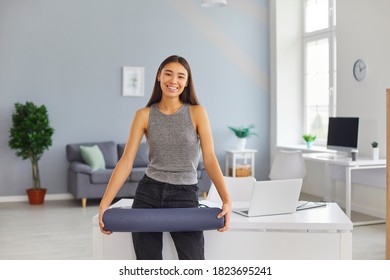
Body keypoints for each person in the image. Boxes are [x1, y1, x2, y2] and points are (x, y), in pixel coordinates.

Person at [98, 55, 231, 260]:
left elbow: (210, 158)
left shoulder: (197, 113)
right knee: (148, 266)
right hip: (148, 193)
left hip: (185, 194)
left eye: (180, 76)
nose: (173, 80)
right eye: (168, 73)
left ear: (187, 82)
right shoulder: (143, 115)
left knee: (193, 262)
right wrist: (105, 203)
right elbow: (126, 161)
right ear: (159, 76)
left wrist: (226, 200)